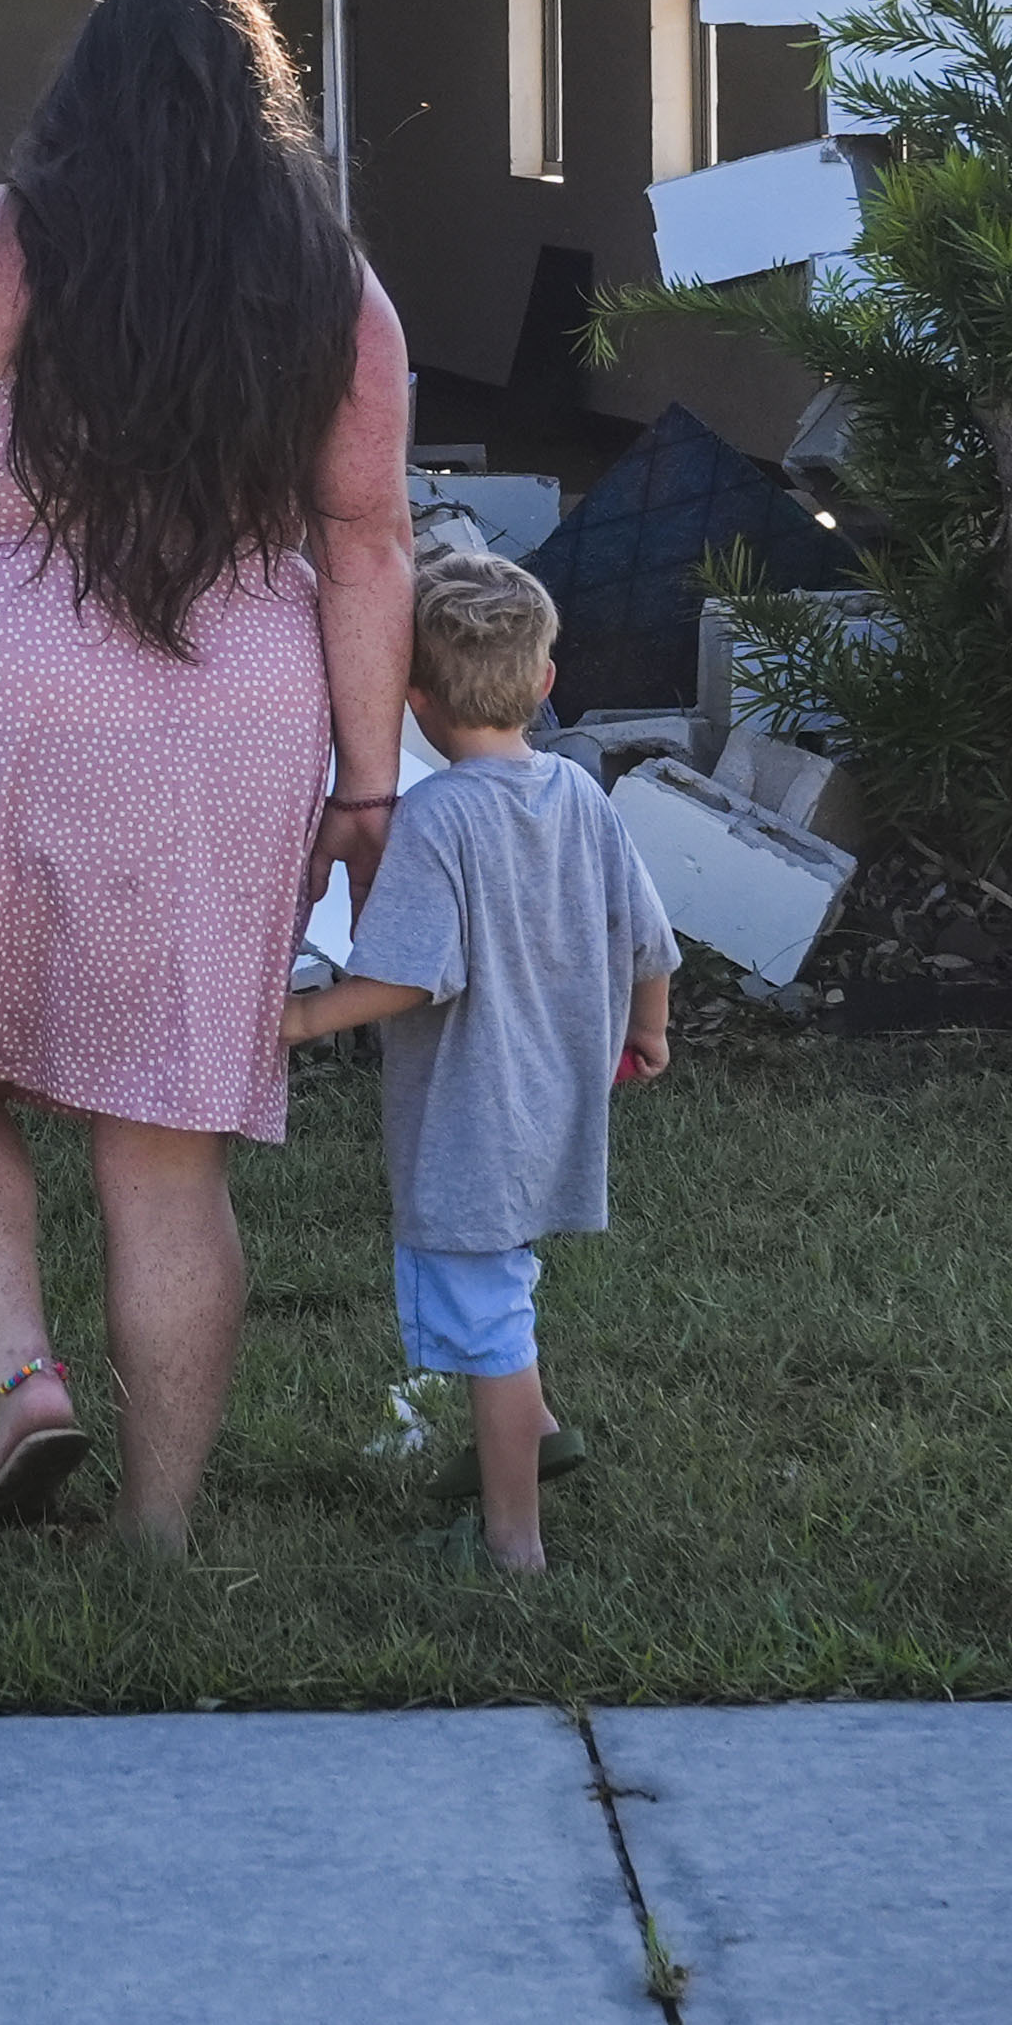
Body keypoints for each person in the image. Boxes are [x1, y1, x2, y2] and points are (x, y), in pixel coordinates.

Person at [0, 0, 414, 1548]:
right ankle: (158, 1536)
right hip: (236, 734)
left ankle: (25, 1371)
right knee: (164, 1155)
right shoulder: (336, 289)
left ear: (82, 90)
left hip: (6, 714)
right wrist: (368, 782)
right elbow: (366, 548)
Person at [280, 549, 672, 1577]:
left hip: (472, 1116)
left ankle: (514, 1539)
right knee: (504, 1280)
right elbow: (652, 939)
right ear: (546, 680)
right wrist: (652, 1031)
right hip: (557, 1102)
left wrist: (304, 1019)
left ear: (412, 701)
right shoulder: (583, 796)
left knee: (491, 1319)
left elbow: (412, 976)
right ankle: (536, 1431)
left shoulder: (439, 817)